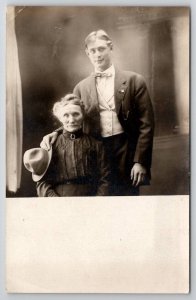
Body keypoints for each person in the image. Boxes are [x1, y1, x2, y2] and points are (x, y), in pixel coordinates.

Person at [41, 29, 154, 196]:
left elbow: (146, 124)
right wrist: (55, 134)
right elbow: (75, 118)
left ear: (111, 48)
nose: (97, 54)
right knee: (99, 200)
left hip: (126, 151)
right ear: (87, 53)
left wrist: (140, 161)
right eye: (92, 51)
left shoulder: (134, 81)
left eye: (101, 49)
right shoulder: (81, 87)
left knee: (126, 199)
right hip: (95, 151)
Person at [25, 94, 110, 197]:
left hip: (90, 198)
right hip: (59, 198)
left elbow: (105, 179)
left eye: (76, 114)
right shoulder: (50, 145)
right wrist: (56, 201)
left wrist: (96, 202)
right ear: (60, 118)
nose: (71, 120)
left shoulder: (96, 145)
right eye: (66, 115)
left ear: (83, 116)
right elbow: (42, 182)